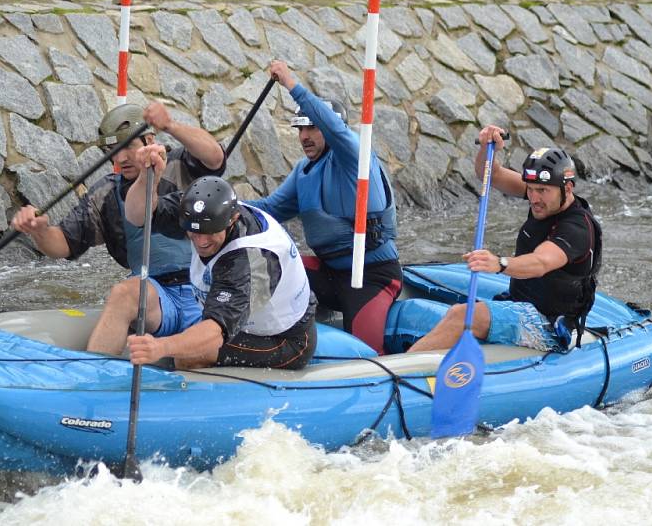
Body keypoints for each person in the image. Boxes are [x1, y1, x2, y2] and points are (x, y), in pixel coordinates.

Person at [11, 102, 226, 355]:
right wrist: (40, 230)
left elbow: (214, 157)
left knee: (194, 359)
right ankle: (93, 378)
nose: (119, 158)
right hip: (156, 296)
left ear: (148, 140)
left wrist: (169, 124)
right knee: (123, 293)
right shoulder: (107, 194)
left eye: (127, 147)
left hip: (205, 291)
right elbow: (62, 245)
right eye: (112, 150)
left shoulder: (180, 165)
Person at [246, 60, 401, 355]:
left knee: (365, 354)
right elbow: (267, 209)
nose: (304, 136)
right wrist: (221, 206)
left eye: (313, 128)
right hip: (330, 276)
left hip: (370, 277)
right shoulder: (303, 171)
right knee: (259, 263)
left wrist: (291, 83)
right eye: (300, 129)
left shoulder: (353, 156)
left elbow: (334, 128)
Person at [409, 125, 602, 354]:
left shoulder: (577, 227)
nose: (534, 198)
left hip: (546, 324)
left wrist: (500, 264)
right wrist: (487, 148)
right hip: (517, 304)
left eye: (541, 191)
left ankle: (396, 378)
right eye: (530, 189)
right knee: (450, 314)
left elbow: (541, 263)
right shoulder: (546, 197)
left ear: (567, 188)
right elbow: (491, 174)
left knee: (463, 315)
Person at [123, 161, 318, 370]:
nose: (201, 242)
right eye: (194, 232)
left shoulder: (251, 260)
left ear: (232, 220)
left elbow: (216, 334)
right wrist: (147, 177)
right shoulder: (197, 211)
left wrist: (160, 348)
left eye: (209, 233)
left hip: (285, 339)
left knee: (189, 356)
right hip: (243, 323)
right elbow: (137, 216)